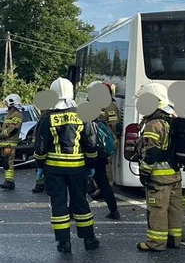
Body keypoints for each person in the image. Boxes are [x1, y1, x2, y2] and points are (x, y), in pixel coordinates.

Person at [33, 78, 99, 254]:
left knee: (59, 204)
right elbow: (91, 142)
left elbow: (40, 146)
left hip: (53, 169)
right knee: (80, 201)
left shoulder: (47, 118)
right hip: (78, 168)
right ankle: (89, 239)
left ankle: (64, 243)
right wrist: (91, 163)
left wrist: (40, 165)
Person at [136, 83, 183, 251]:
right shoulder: (172, 117)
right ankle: (175, 239)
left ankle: (156, 243)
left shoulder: (154, 124)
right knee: (174, 208)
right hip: (175, 174)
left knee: (157, 209)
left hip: (159, 176)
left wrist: (144, 172)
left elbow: (151, 153)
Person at [90, 83, 122, 220]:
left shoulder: (110, 106)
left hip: (102, 145)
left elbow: (113, 125)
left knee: (80, 181)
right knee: (101, 177)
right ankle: (113, 209)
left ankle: (74, 211)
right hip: (97, 145)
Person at [0, 94, 24, 190]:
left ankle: (9, 181)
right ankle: (8, 180)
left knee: (8, 162)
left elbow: (13, 129)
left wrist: (1, 135)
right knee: (5, 163)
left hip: (9, 144)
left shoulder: (17, 114)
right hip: (5, 143)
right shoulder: (9, 114)